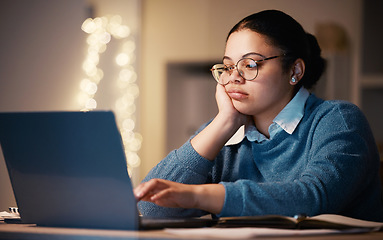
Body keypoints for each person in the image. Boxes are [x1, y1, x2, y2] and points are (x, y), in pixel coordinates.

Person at [134, 9, 383, 222]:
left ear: (295, 71)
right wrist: (223, 123)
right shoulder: (224, 132)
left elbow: (313, 198)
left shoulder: (337, 119)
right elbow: (149, 207)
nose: (233, 77)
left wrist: (200, 195)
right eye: (229, 66)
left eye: (250, 64)